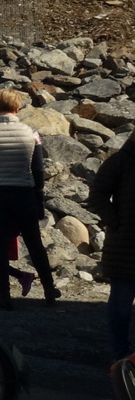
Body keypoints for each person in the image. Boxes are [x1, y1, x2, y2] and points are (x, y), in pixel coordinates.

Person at [0, 88, 57, 309]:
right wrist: (39, 200)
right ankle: (49, 288)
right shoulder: (31, 133)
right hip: (24, 193)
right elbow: (38, 170)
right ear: (17, 107)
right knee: (34, 243)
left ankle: (4, 294)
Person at [91, 136, 135, 358]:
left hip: (123, 242)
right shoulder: (122, 160)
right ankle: (121, 355)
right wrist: (115, 221)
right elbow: (97, 194)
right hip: (125, 245)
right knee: (121, 305)